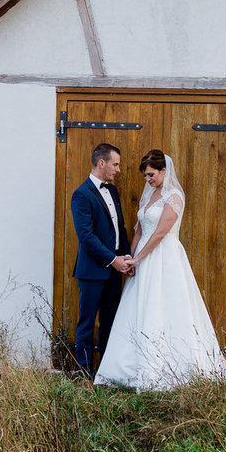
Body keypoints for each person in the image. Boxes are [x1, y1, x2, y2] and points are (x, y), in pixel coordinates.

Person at [94, 150, 226, 391]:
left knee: (166, 308)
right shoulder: (148, 196)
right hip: (142, 260)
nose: (148, 180)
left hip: (164, 257)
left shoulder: (175, 196)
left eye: (151, 175)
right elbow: (139, 230)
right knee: (139, 308)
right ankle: (127, 368)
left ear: (164, 171)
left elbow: (159, 233)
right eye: (145, 176)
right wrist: (131, 257)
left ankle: (168, 367)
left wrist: (139, 258)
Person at [69, 142, 133, 379]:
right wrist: (112, 260)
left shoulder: (113, 191)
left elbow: (120, 228)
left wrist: (127, 258)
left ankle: (106, 375)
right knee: (86, 325)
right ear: (102, 163)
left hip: (115, 271)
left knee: (110, 324)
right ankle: (84, 375)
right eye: (115, 164)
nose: (118, 169)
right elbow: (86, 236)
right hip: (93, 271)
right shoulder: (81, 194)